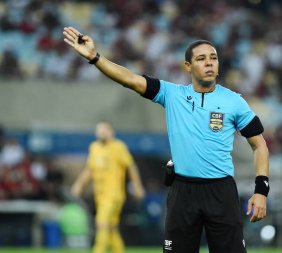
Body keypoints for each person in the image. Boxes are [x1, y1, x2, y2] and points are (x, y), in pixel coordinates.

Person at [63, 26, 270, 253]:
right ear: (188, 67)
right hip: (183, 192)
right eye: (201, 59)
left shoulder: (234, 101)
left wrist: (260, 190)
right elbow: (130, 79)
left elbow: (259, 145)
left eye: (213, 58)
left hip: (221, 192)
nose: (210, 63)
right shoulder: (172, 94)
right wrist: (95, 57)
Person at [71, 121, 145, 253]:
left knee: (101, 224)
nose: (102, 132)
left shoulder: (118, 147)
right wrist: (79, 184)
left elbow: (131, 166)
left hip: (114, 195)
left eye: (105, 129)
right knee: (111, 228)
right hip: (100, 196)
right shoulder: (94, 147)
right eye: (99, 129)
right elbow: (90, 169)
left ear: (111, 132)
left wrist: (138, 187)